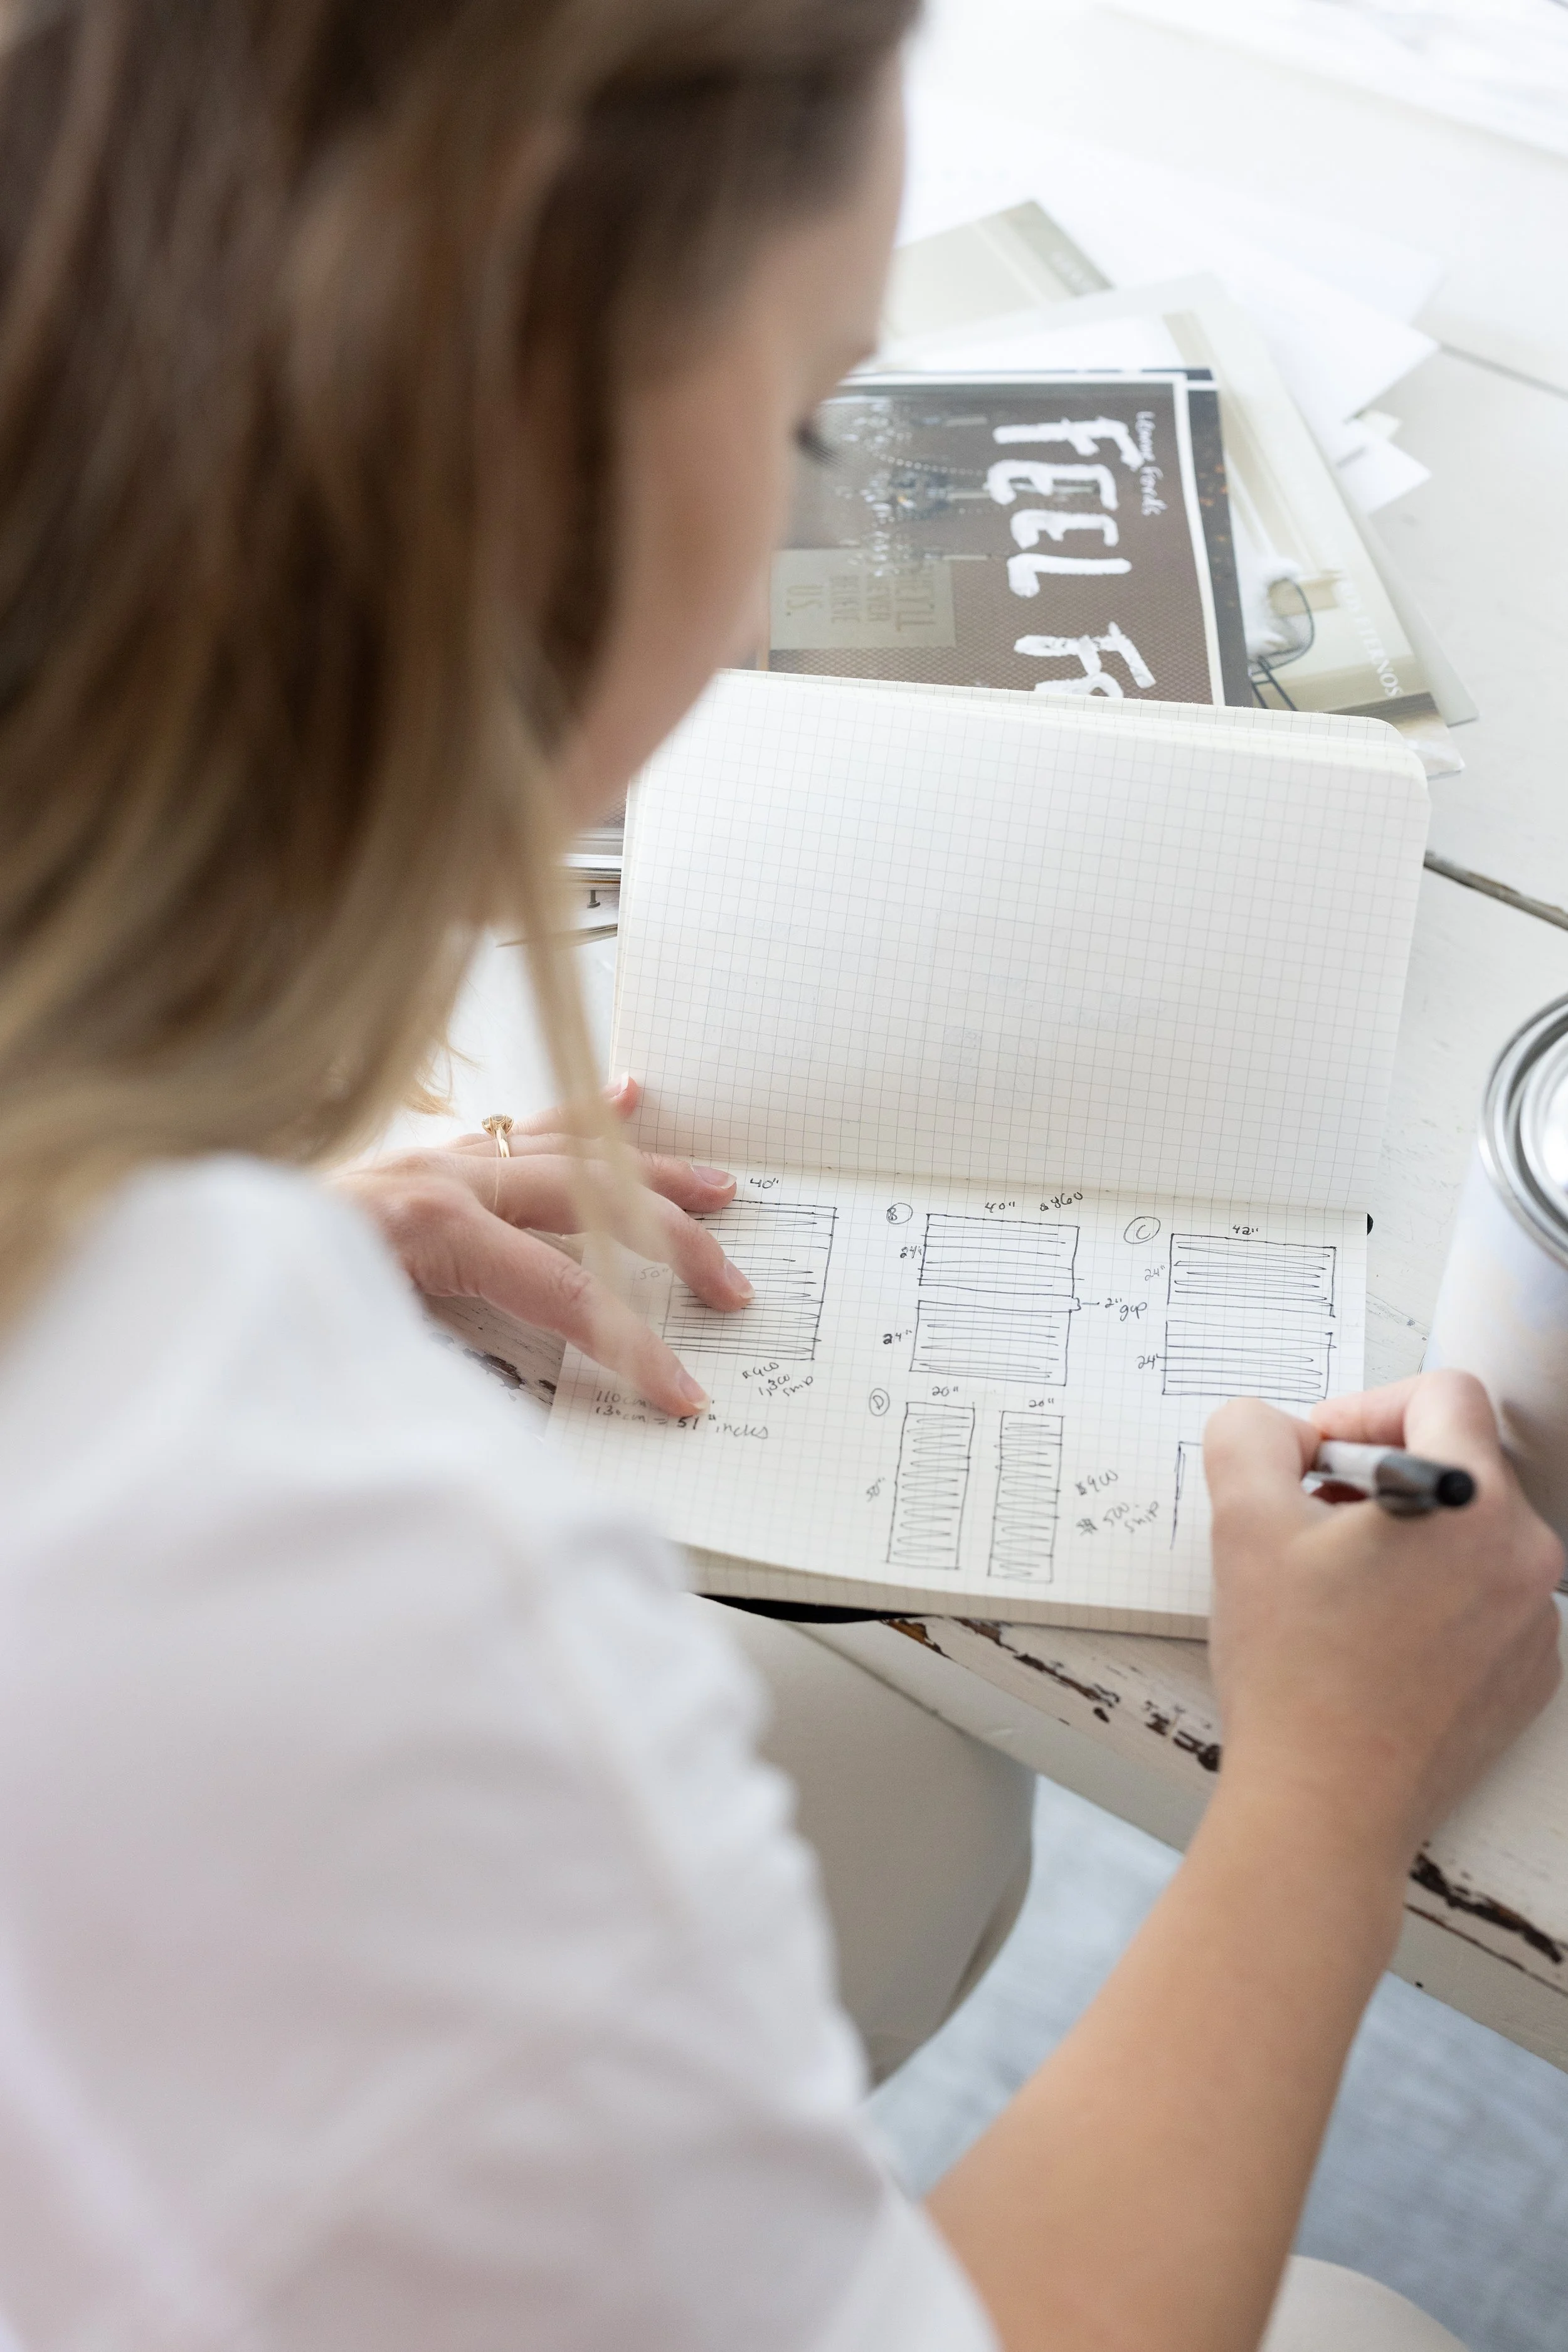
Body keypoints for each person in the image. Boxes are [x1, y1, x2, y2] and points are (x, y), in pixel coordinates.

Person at [0, 5, 1558, 2349]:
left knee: (898, 1799)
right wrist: (1325, 1793)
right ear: (538, 454)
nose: (785, 570)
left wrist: (216, 1235)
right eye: (819, 414)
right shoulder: (347, 1595)